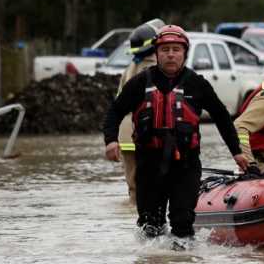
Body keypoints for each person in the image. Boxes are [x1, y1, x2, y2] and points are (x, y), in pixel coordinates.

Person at [102, 25, 247, 245]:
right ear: (157, 53)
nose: (170, 54)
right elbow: (114, 111)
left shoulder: (197, 84)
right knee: (150, 226)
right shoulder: (140, 82)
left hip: (185, 166)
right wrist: (111, 141)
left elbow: (222, 117)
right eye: (165, 49)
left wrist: (236, 152)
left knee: (182, 223)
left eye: (176, 50)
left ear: (184, 53)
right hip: (149, 165)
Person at [115, 18, 165, 204]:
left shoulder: (131, 66)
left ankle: (133, 213)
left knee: (133, 184)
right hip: (144, 133)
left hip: (126, 133)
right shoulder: (155, 68)